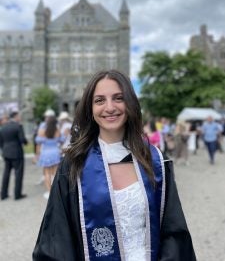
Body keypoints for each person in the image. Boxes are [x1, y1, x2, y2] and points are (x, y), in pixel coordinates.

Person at [33, 70, 196, 260]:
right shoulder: (73, 165)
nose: (109, 107)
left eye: (118, 98)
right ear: (90, 109)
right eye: (100, 100)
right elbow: (56, 239)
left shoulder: (156, 161)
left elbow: (173, 232)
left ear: (130, 103)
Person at [0, 111, 28, 200]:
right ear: (15, 117)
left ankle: (3, 194)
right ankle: (17, 194)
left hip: (6, 152)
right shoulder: (18, 126)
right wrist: (26, 142)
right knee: (18, 173)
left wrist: (4, 149)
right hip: (17, 153)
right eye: (19, 116)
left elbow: (0, 142)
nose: (20, 118)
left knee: (6, 173)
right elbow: (22, 139)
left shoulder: (3, 127)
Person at [35, 116, 64, 199]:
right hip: (55, 152)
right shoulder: (57, 130)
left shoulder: (41, 131)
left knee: (47, 173)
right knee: (55, 173)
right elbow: (61, 141)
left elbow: (38, 144)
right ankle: (57, 191)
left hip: (45, 153)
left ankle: (49, 191)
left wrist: (37, 154)